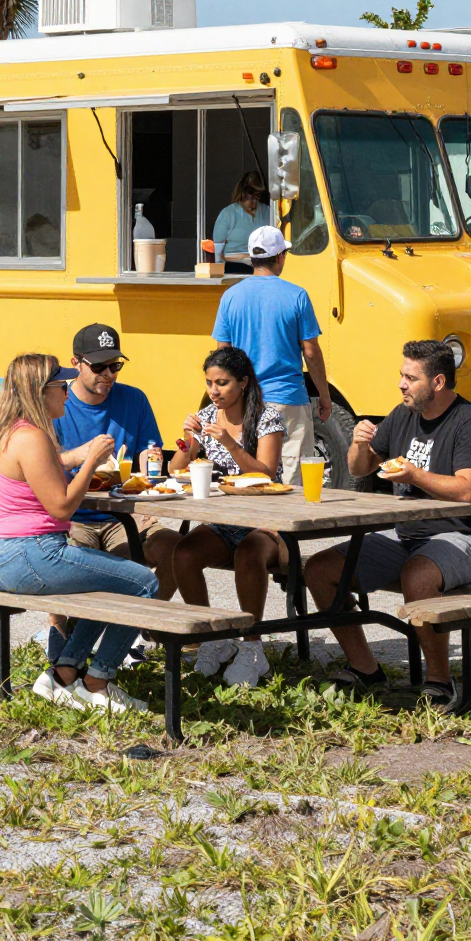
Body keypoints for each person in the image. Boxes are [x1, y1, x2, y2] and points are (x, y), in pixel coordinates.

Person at [305, 340, 471, 711]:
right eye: (401, 376)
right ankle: (366, 669)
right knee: (320, 569)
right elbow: (362, 468)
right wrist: (360, 444)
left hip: (463, 536)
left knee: (418, 576)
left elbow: (468, 491)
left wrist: (415, 473)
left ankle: (440, 681)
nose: (402, 385)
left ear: (437, 382)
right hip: (405, 534)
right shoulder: (402, 414)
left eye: (410, 377)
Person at [0, 353, 158, 714]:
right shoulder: (33, 437)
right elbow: (61, 508)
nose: (66, 392)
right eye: (60, 386)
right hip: (33, 554)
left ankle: (64, 672)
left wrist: (80, 457)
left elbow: (50, 467)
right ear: (39, 392)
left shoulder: (7, 431)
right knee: (143, 583)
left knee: (109, 581)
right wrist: (91, 460)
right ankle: (98, 682)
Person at [43, 323, 181, 663]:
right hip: (75, 515)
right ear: (76, 363)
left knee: (177, 550)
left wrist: (152, 458)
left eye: (115, 365)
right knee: (75, 568)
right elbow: (41, 466)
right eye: (99, 366)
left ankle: (137, 626)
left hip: (125, 512)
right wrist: (82, 458)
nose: (108, 374)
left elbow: (149, 451)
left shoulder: (133, 399)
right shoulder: (58, 404)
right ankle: (66, 639)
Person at [170, 346, 289, 687]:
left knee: (249, 554)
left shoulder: (267, 418)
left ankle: (252, 647)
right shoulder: (206, 415)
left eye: (222, 383)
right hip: (225, 520)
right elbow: (175, 470)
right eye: (209, 382)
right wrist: (187, 441)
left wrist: (230, 443)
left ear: (244, 383)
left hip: (268, 522)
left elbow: (265, 474)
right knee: (184, 552)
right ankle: (213, 639)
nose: (213, 391)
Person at [211, 224, 331, 483]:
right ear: (279, 257)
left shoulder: (230, 297)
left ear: (252, 259)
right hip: (288, 400)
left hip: (246, 402)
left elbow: (223, 356)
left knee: (254, 476)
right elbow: (311, 352)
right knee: (292, 481)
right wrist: (324, 394)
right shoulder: (297, 295)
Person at [213, 170, 270, 273]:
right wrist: (243, 258)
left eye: (257, 196)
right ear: (242, 193)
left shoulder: (268, 211)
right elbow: (217, 254)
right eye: (250, 196)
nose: (253, 201)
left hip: (263, 266)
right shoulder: (228, 214)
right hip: (235, 267)